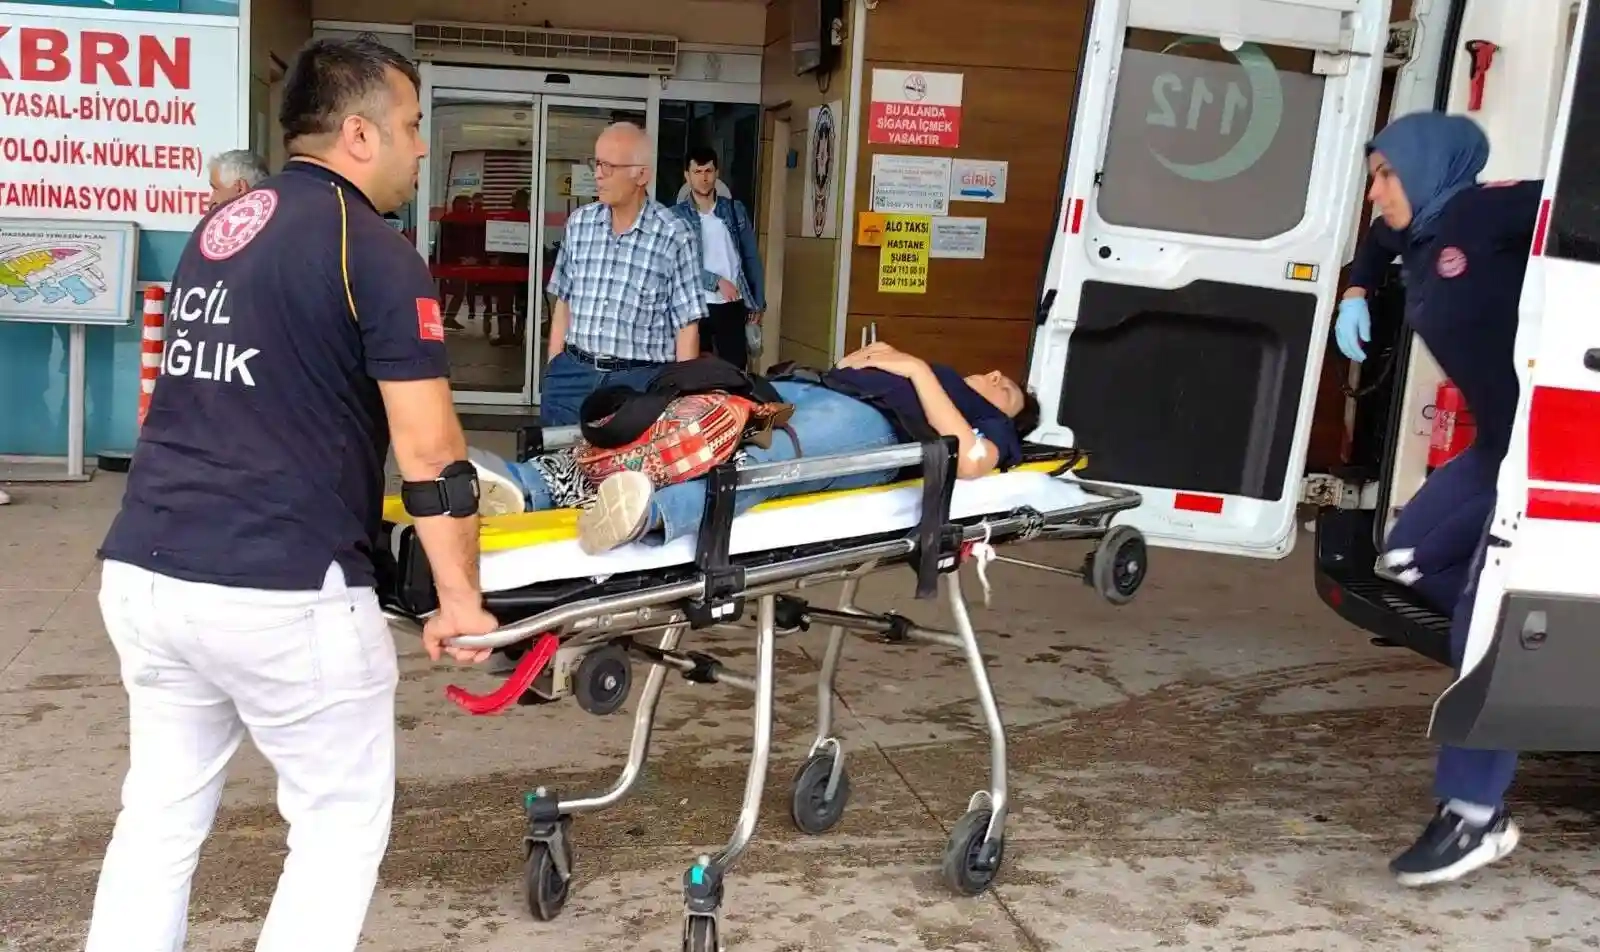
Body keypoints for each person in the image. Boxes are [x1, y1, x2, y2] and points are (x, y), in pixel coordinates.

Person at [85, 36, 497, 952]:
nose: (421, 147)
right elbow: (431, 451)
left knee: (157, 822)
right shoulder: (374, 249)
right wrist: (459, 599)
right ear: (359, 134)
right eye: (412, 125)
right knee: (337, 831)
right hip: (282, 590)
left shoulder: (224, 230)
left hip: (149, 569)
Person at [1341, 111, 1542, 887]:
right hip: (1500, 442)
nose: (1375, 193)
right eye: (1374, 175)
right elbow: (1375, 243)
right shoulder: (1418, 229)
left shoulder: (1487, 211)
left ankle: (1474, 813)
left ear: (1427, 169)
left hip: (1547, 444)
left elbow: (1575, 207)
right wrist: (1357, 288)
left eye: (1385, 175)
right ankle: (1528, 650)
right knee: (1405, 556)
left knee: (1487, 617)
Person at [472, 341, 1040, 556]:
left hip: (868, 423)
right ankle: (527, 486)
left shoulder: (988, 421)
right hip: (802, 389)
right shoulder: (940, 375)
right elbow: (846, 366)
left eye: (1008, 388)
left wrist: (914, 368)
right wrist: (877, 360)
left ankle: (650, 512)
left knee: (765, 460)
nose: (996, 375)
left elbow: (970, 460)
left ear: (1009, 415)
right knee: (665, 426)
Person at [542, 121, 706, 427]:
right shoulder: (579, 224)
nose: (598, 174)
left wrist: (683, 399)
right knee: (556, 456)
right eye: (596, 163)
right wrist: (554, 366)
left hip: (639, 383)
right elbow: (563, 301)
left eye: (608, 166)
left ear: (641, 175)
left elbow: (687, 326)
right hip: (572, 378)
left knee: (629, 460)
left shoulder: (674, 234)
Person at [671, 145, 766, 369]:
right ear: (687, 176)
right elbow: (678, 264)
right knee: (695, 372)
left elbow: (750, 257)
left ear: (717, 173)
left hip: (732, 304)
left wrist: (758, 302)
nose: (704, 178)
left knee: (734, 370)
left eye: (708, 171)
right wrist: (716, 282)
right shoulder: (676, 216)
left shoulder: (734, 210)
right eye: (697, 172)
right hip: (694, 305)